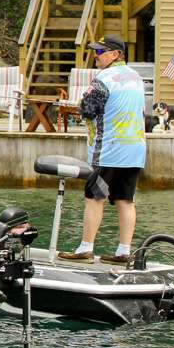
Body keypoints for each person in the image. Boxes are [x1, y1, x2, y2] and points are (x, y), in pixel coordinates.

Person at [58, 34, 146, 265]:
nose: (95, 57)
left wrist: (80, 102)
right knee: (125, 200)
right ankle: (124, 252)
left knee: (93, 198)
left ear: (115, 54)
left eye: (99, 52)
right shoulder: (137, 77)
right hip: (135, 150)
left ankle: (85, 248)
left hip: (108, 149)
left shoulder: (103, 78)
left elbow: (87, 110)